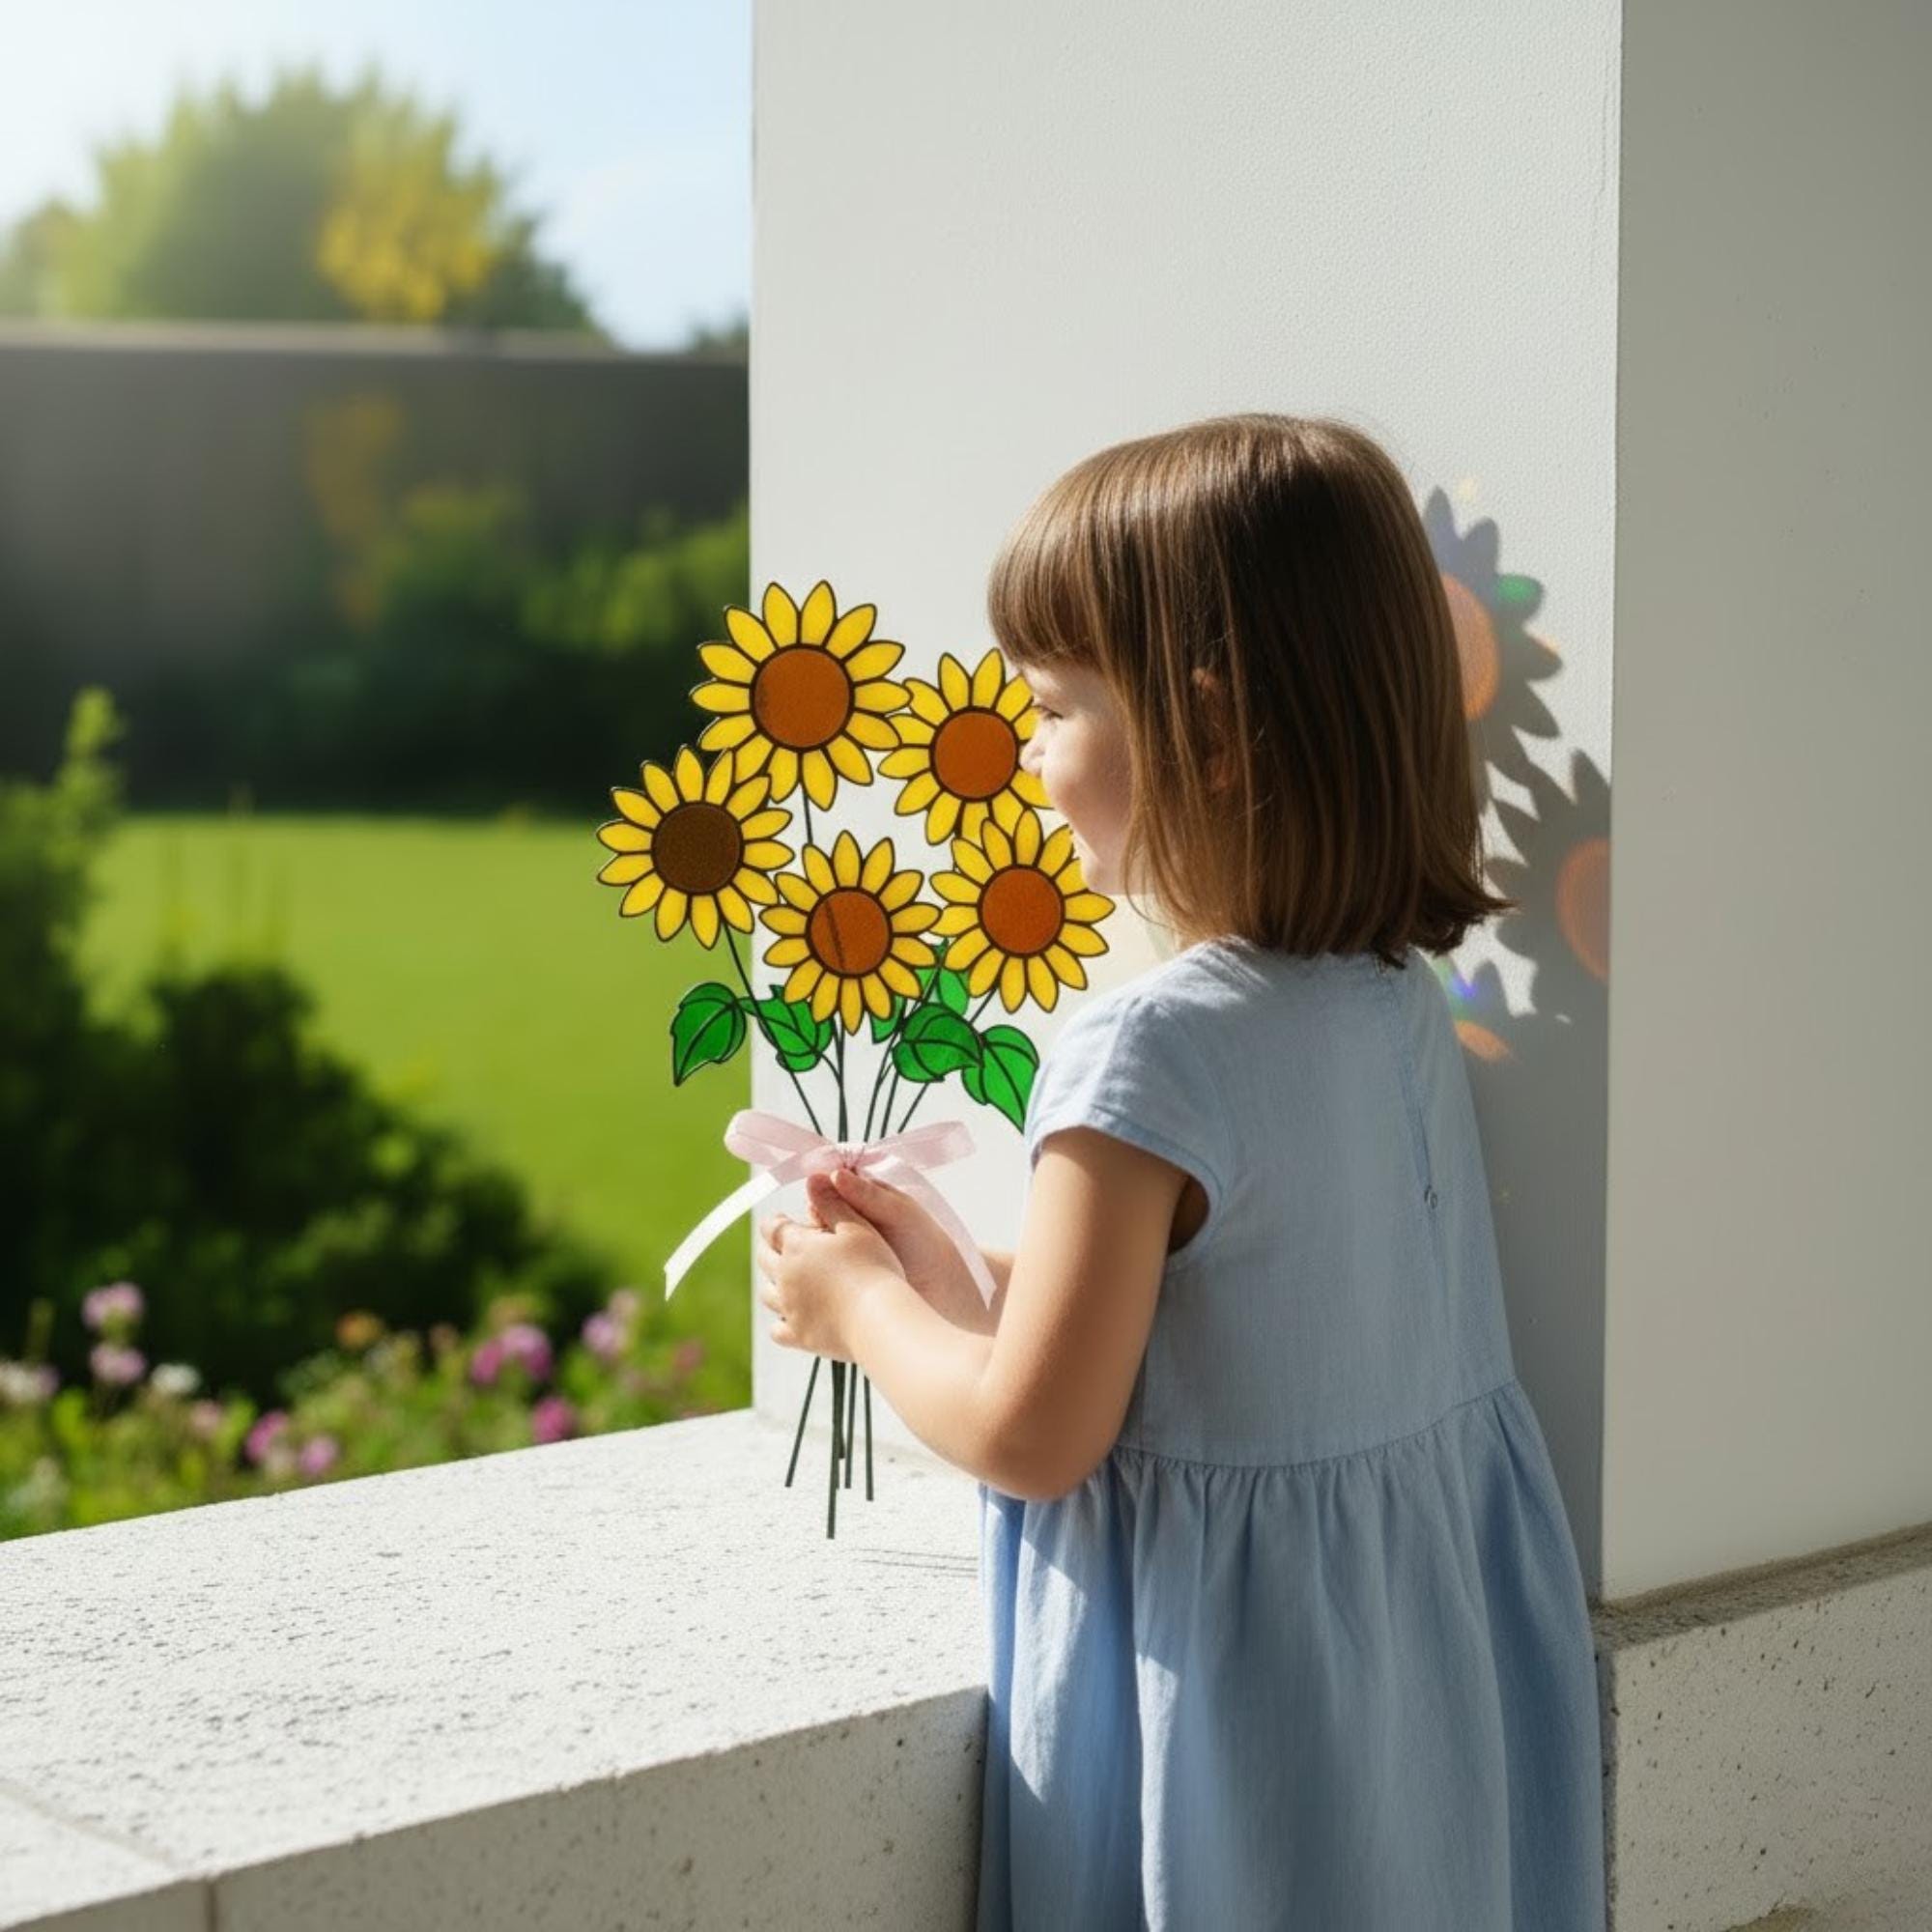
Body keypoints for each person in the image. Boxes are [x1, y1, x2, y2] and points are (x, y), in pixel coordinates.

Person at [753, 412, 1606, 1929]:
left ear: (1207, 732)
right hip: (1413, 1722)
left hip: (1234, 1732)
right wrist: (952, 1268)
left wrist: (856, 1308)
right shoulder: (1393, 1003)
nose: (1027, 750)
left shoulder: (1146, 1054)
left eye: (1056, 705)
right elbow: (1240, 1319)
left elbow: (1033, 1432)